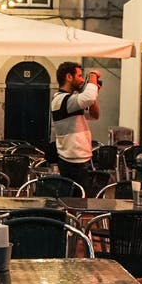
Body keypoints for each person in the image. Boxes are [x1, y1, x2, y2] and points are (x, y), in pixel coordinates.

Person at [50, 61, 101, 194]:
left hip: (80, 159)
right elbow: (88, 97)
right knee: (77, 202)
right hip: (73, 161)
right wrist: (93, 76)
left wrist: (93, 97)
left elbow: (94, 115)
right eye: (79, 76)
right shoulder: (61, 100)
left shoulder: (72, 100)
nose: (81, 80)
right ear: (69, 77)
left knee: (80, 200)